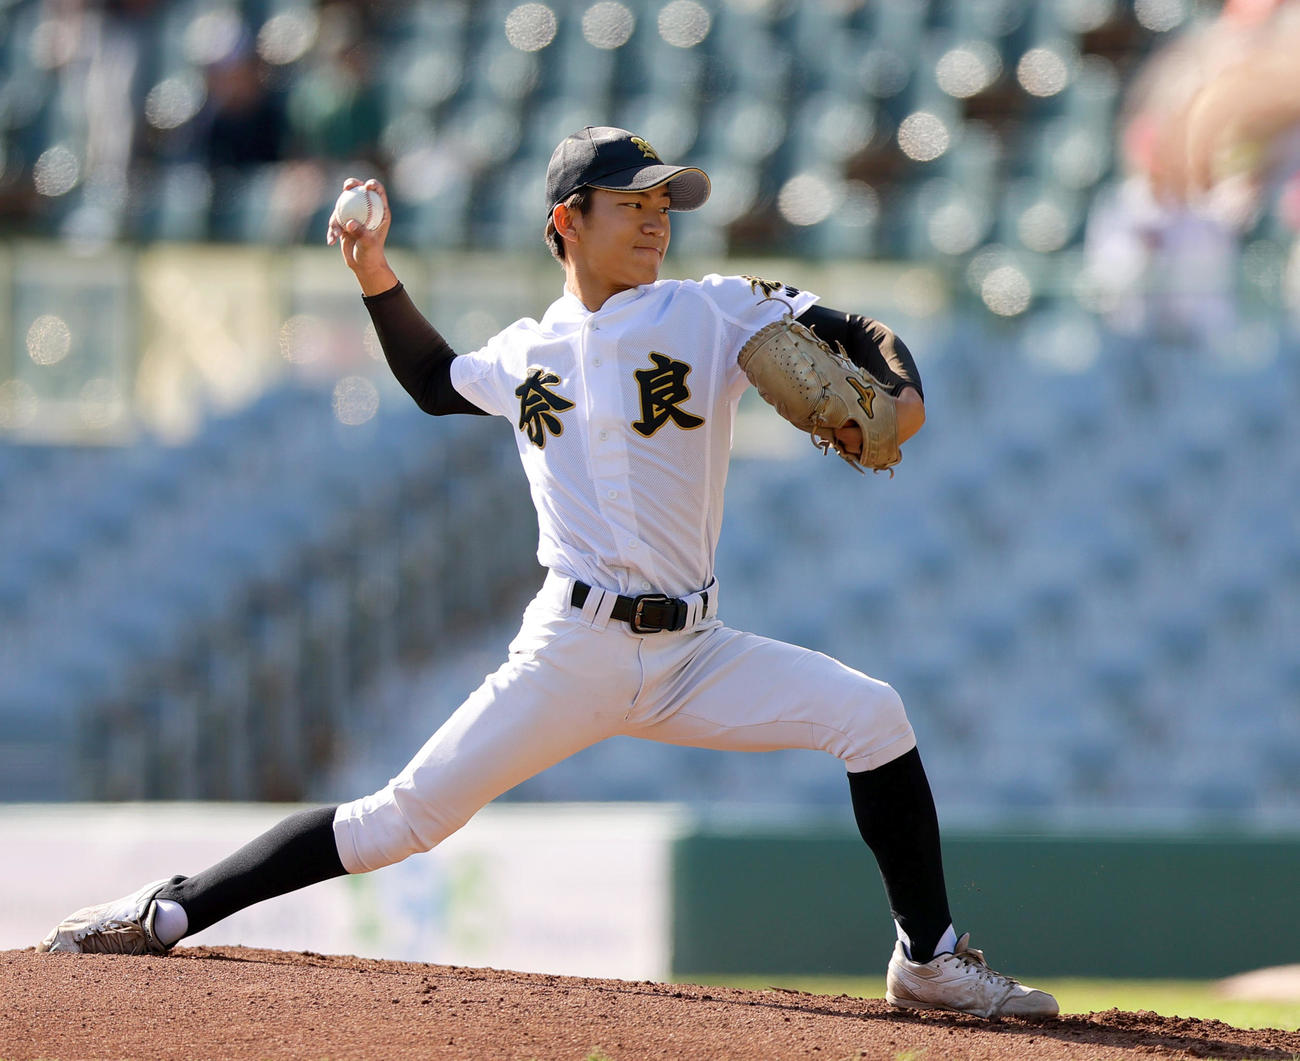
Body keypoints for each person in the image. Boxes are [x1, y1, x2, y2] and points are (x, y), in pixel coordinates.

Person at [36, 126, 1057, 1021]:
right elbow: (438, 384)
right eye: (633, 204)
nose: (658, 220)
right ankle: (166, 906)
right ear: (566, 220)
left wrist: (902, 397)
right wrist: (373, 273)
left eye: (666, 203)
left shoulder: (711, 310)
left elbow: (860, 333)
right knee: (397, 820)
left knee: (873, 715)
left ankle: (927, 961)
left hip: (694, 648)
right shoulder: (531, 351)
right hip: (570, 648)